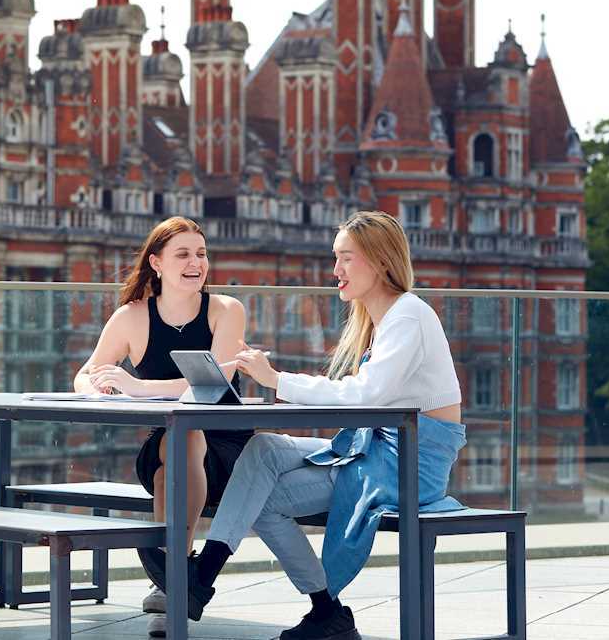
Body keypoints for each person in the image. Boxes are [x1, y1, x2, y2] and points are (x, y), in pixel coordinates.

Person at [150, 211, 467, 640]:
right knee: (262, 449)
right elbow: (364, 397)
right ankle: (206, 579)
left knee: (261, 498)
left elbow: (366, 395)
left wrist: (276, 380)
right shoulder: (380, 319)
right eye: (335, 259)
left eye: (346, 259)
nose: (335, 270)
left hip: (409, 463)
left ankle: (314, 606)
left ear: (380, 261)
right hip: (373, 448)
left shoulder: (408, 315)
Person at [72, 216, 248, 637]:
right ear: (156, 263)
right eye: (183, 254)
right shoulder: (131, 316)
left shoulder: (226, 310)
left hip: (228, 450)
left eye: (201, 254)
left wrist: (136, 387)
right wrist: (101, 389)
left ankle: (169, 577)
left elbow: (213, 381)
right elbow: (85, 373)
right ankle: (176, 577)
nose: (196, 263)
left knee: (186, 441)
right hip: (165, 445)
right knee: (178, 443)